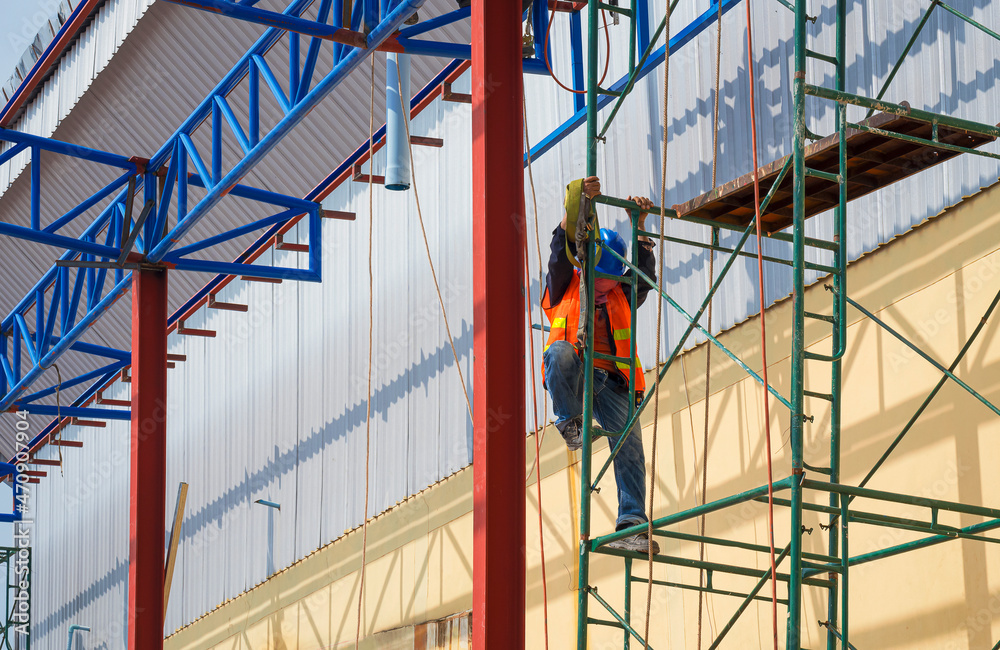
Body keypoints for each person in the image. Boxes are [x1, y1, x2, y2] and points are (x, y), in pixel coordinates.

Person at [541, 175, 660, 554]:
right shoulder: (567, 283)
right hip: (577, 373)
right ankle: (570, 421)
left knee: (629, 448)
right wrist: (577, 205)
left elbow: (643, 278)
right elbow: (560, 252)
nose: (605, 285)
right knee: (558, 354)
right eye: (600, 277)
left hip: (615, 381)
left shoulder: (623, 292)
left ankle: (632, 525)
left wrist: (639, 227)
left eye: (612, 278)